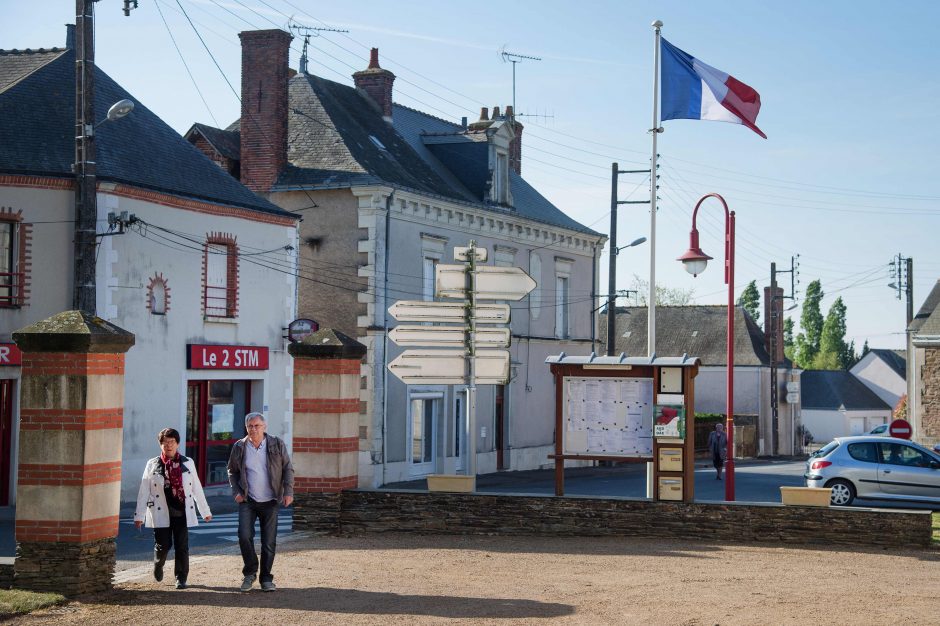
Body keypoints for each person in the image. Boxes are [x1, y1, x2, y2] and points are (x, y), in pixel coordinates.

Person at [134, 428, 212, 589]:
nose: (168, 445)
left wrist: (205, 511)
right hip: (160, 511)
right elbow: (144, 491)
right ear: (160, 444)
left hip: (182, 511)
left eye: (171, 442)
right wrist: (139, 515)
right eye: (164, 442)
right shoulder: (152, 464)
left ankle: (181, 577)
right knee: (163, 545)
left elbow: (196, 488)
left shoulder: (187, 462)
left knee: (182, 546)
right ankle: (158, 563)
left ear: (177, 444)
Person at [227, 412, 294, 592]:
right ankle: (250, 573)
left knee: (268, 542)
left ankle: (266, 578)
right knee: (244, 536)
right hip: (248, 500)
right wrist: (236, 492)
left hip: (271, 500)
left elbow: (288, 468)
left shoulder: (276, 443)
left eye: (257, 426)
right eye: (250, 426)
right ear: (246, 427)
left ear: (264, 427)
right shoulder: (239, 446)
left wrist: (288, 491)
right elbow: (232, 471)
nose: (253, 429)